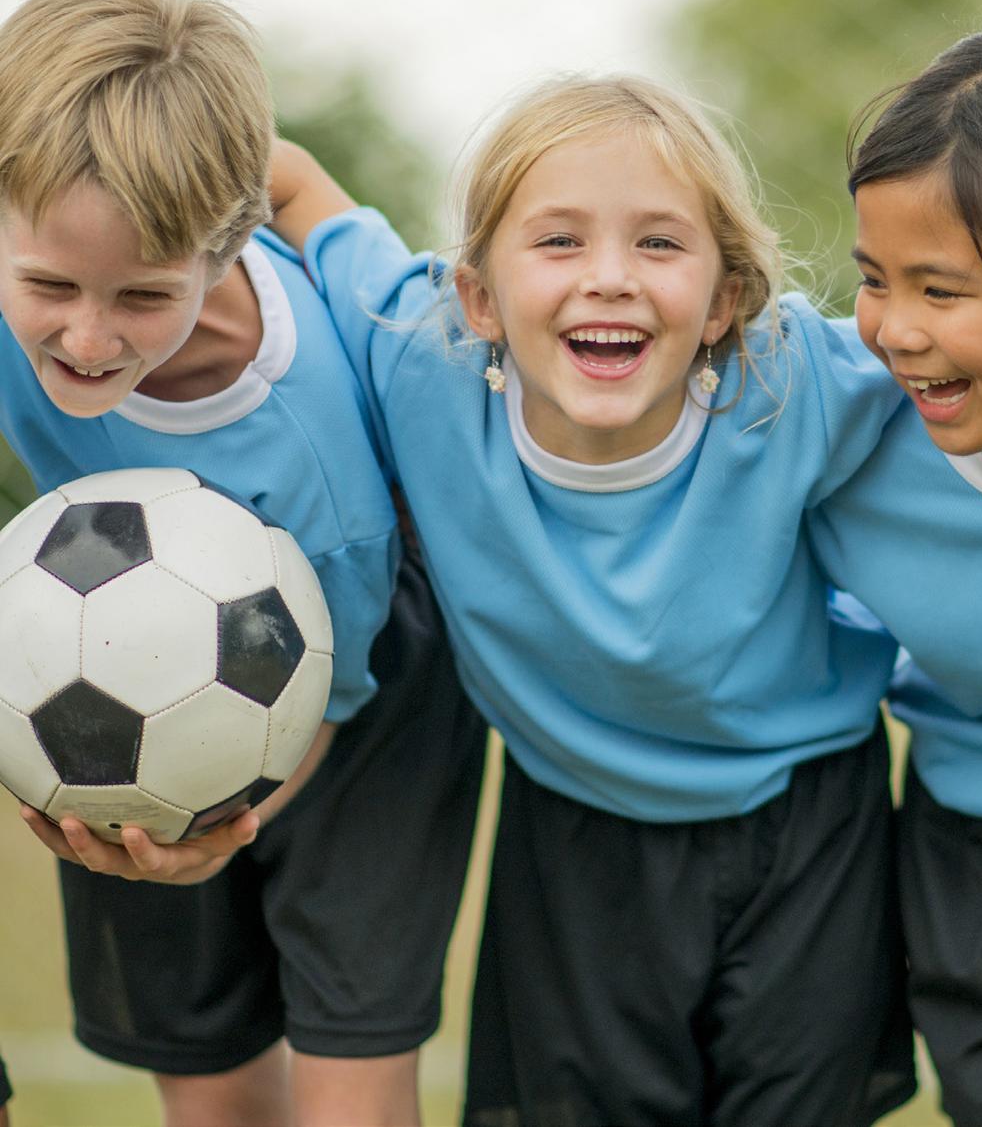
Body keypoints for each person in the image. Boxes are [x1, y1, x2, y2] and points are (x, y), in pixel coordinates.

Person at [270, 75, 916, 1127]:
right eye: (558, 241)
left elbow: (967, 340)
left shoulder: (794, 379)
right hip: (576, 826)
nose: (608, 278)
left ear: (725, 299)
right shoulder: (417, 354)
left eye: (659, 244)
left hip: (807, 822)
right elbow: (290, 178)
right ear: (477, 295)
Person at [0, 0, 485, 1127]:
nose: (85, 331)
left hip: (357, 677)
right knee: (208, 1080)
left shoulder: (313, 452)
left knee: (347, 1082)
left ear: (226, 248)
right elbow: (271, 158)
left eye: (141, 296)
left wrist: (217, 829)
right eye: (48, 283)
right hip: (102, 646)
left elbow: (334, 690)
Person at [807, 23, 982, 1127]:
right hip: (970, 852)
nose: (890, 329)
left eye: (938, 290)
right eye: (873, 280)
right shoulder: (843, 412)